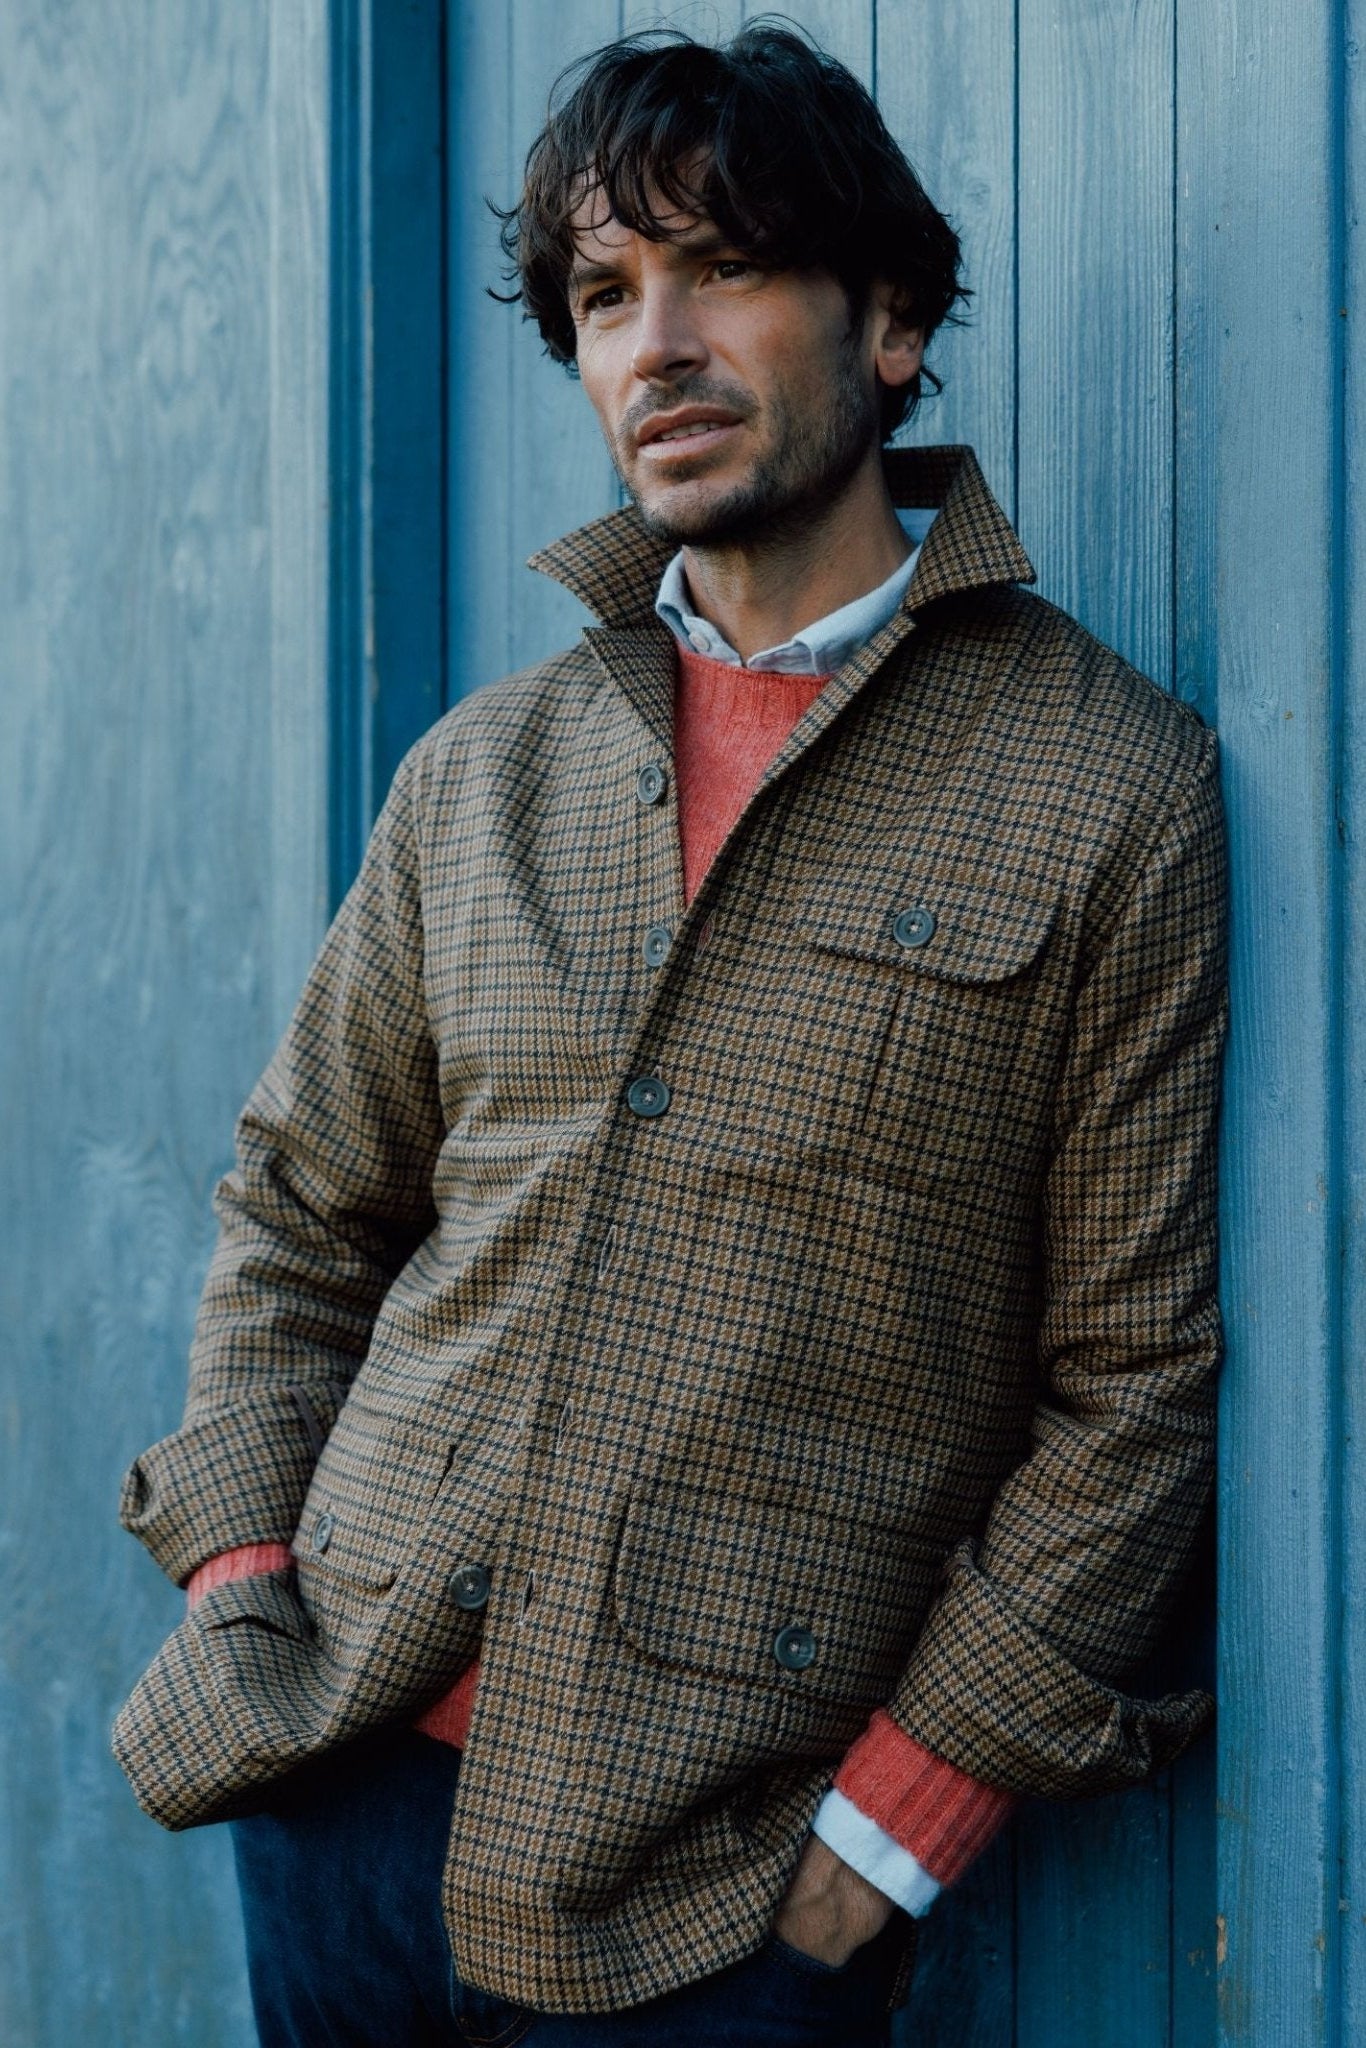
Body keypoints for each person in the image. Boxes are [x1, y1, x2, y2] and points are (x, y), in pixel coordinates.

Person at [113, 22, 1227, 2048]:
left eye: (721, 269)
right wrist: (242, 1582)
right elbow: (298, 1209)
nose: (654, 348)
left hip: (715, 1898)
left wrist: (882, 1845)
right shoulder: (485, 770)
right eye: (603, 299)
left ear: (889, 319)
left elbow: (1126, 1388)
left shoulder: (1101, 789)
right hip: (343, 1798)